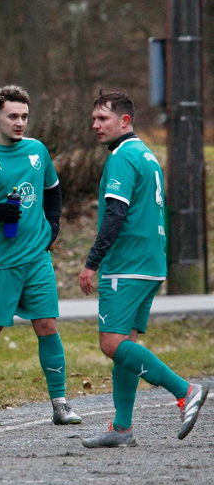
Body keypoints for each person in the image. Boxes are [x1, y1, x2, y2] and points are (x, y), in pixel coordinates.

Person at [79, 92, 208, 447]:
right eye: (93, 119)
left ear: (124, 121)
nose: (95, 125)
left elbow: (116, 215)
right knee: (126, 344)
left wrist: (93, 262)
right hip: (151, 263)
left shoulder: (122, 157)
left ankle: (186, 391)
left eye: (103, 119)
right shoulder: (146, 154)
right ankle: (122, 430)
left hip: (127, 264)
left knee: (111, 344)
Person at [0, 85, 81, 427]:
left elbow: (52, 191)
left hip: (36, 258)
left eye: (24, 116)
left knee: (48, 325)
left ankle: (61, 404)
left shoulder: (37, 151)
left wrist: (52, 229)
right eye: (12, 116)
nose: (20, 122)